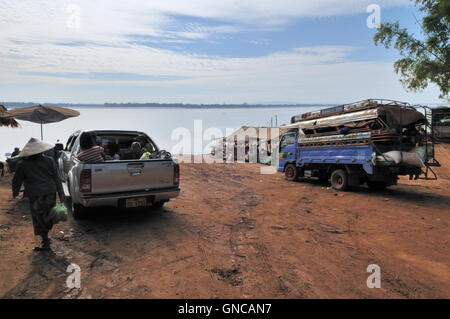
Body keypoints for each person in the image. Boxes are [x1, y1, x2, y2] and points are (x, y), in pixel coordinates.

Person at [12, 138, 65, 252]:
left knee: (39, 218)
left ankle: (45, 241)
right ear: (41, 150)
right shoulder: (50, 160)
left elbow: (16, 180)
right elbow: (57, 178)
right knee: (48, 216)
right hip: (50, 193)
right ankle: (46, 239)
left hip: (35, 195)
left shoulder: (23, 164)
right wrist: (61, 195)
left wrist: (15, 192)